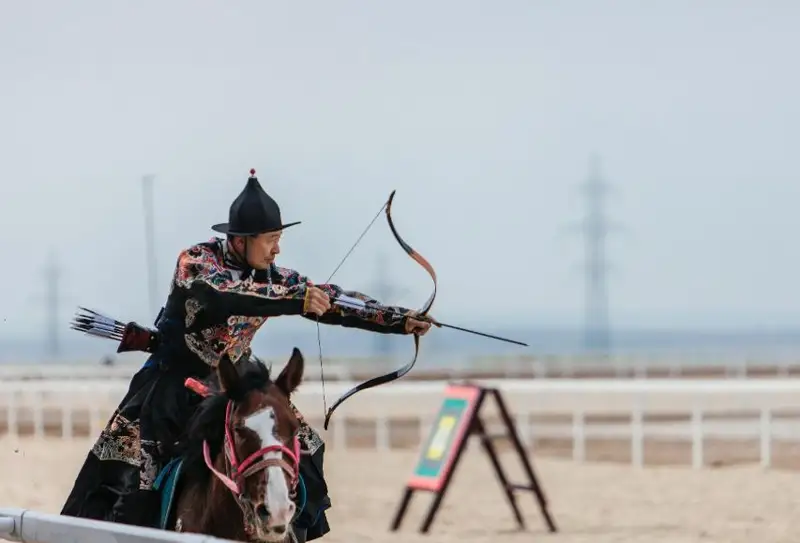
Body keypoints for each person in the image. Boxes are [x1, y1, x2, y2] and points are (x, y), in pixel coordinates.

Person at [60, 169, 433, 542]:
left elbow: (333, 300)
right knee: (137, 486)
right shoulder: (197, 263)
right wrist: (295, 300)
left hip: (235, 388)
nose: (276, 249)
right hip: (173, 390)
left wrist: (400, 320)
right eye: (270, 240)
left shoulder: (277, 279)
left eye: (279, 239)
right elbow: (227, 295)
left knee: (305, 450)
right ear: (240, 241)